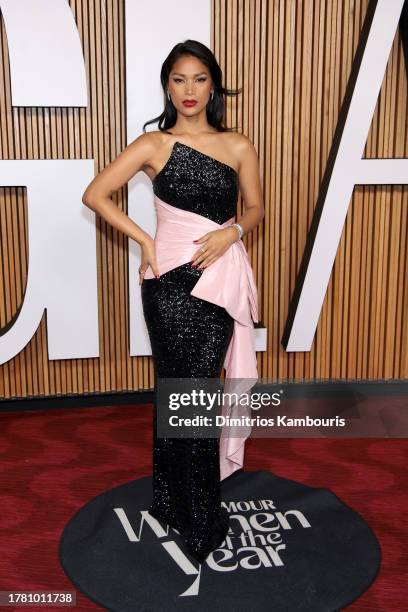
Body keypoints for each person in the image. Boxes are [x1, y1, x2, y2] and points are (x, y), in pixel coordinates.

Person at [82, 39, 264, 563]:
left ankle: (193, 507)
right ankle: (179, 505)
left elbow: (254, 207)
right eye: (179, 79)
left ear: (213, 85)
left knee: (198, 396)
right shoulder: (153, 145)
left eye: (199, 79)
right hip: (167, 287)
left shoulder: (237, 145)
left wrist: (233, 233)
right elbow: (95, 194)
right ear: (168, 85)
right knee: (177, 392)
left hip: (216, 281)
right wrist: (144, 240)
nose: (189, 90)